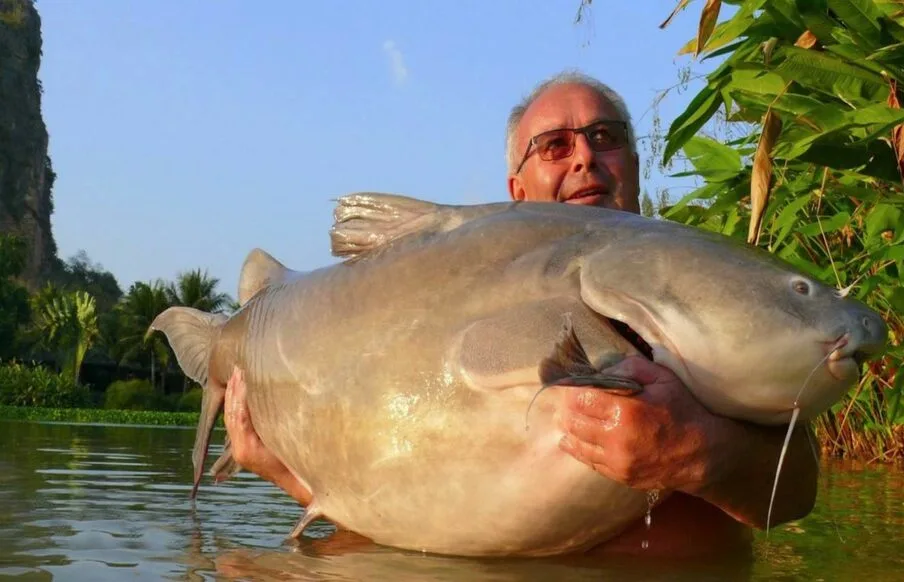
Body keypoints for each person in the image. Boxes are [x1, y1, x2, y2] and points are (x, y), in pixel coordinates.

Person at [222, 70, 819, 558]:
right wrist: (281, 472)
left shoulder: (705, 295)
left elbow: (797, 490)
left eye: (605, 137)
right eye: (555, 146)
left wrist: (695, 448)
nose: (585, 156)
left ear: (634, 165)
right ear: (515, 189)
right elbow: (396, 531)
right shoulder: (428, 313)